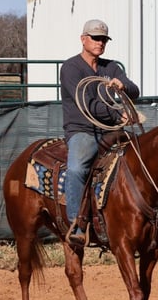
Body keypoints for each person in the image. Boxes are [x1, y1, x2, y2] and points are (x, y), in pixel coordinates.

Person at [60, 19, 140, 246]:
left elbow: (135, 91)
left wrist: (124, 86)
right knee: (77, 168)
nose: (100, 42)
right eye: (95, 38)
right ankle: (77, 224)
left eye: (104, 39)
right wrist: (117, 115)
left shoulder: (111, 67)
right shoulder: (71, 68)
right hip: (82, 129)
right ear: (83, 39)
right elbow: (86, 104)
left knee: (143, 156)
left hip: (109, 130)